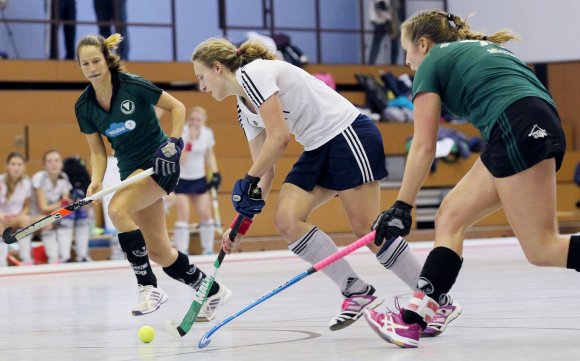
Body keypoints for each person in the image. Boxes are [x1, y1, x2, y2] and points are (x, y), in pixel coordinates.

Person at [191, 37, 461, 332]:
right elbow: (264, 173)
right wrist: (240, 224)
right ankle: (355, 289)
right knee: (287, 219)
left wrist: (249, 179)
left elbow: (279, 139)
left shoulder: (253, 74)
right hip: (318, 147)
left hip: (348, 134)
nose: (201, 87)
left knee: (370, 230)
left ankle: (438, 301)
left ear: (217, 68)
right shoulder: (243, 111)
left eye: (201, 77)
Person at [363, 10, 568, 348]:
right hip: (533, 121)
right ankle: (423, 312)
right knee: (451, 216)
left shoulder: (432, 62)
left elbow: (424, 145)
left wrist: (401, 206)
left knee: (542, 248)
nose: (407, 60)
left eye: (407, 50)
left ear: (424, 44)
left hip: (515, 125)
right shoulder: (476, 50)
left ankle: (410, 321)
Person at [74, 33, 230, 320]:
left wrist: (173, 143)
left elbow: (177, 107)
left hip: (159, 165)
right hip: (131, 172)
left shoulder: (132, 85)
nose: (92, 68)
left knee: (117, 209)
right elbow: (96, 151)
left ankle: (148, 287)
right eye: (85, 63)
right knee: (160, 252)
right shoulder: (84, 106)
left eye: (96, 60)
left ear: (107, 60)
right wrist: (96, 179)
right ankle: (211, 290)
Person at [173, 106, 221, 256]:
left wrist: (215, 173)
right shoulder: (183, 132)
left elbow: (209, 154)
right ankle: (182, 251)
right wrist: (191, 141)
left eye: (198, 120)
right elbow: (182, 161)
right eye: (192, 119)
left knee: (206, 214)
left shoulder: (207, 133)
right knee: (184, 214)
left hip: (199, 178)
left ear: (203, 121)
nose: (195, 122)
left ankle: (207, 249)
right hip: (182, 179)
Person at [31, 149, 76, 264]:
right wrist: (63, 203)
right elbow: (43, 208)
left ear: (61, 164)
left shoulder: (64, 177)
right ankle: (53, 259)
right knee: (47, 222)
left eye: (56, 160)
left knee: (72, 216)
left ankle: (66, 257)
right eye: (49, 161)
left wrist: (69, 202)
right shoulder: (39, 177)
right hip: (36, 218)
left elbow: (66, 202)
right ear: (44, 165)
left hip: (53, 215)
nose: (54, 164)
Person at [0, 152, 33, 266]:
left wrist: (20, 215)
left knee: (26, 219)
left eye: (19, 164)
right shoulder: (1, 181)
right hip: (2, 219)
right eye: (13, 164)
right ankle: (2, 261)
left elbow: (27, 205)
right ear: (7, 166)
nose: (16, 167)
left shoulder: (26, 182)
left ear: (23, 167)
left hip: (16, 219)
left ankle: (26, 258)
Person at [367, 0, 400, 65]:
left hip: (385, 21)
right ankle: (371, 63)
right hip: (381, 21)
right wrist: (391, 17)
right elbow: (381, 7)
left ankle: (393, 63)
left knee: (393, 43)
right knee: (377, 43)